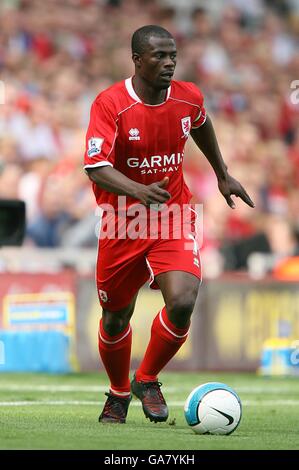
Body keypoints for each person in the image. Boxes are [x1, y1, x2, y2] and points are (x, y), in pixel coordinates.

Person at [84, 25, 254, 424]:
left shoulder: (187, 96)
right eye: (159, 56)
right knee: (115, 318)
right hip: (121, 222)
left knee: (181, 301)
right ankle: (118, 392)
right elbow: (95, 167)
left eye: (172, 55)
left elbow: (200, 123)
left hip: (172, 215)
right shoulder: (111, 104)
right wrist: (138, 192)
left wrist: (222, 173)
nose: (169, 62)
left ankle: (147, 379)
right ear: (137, 60)